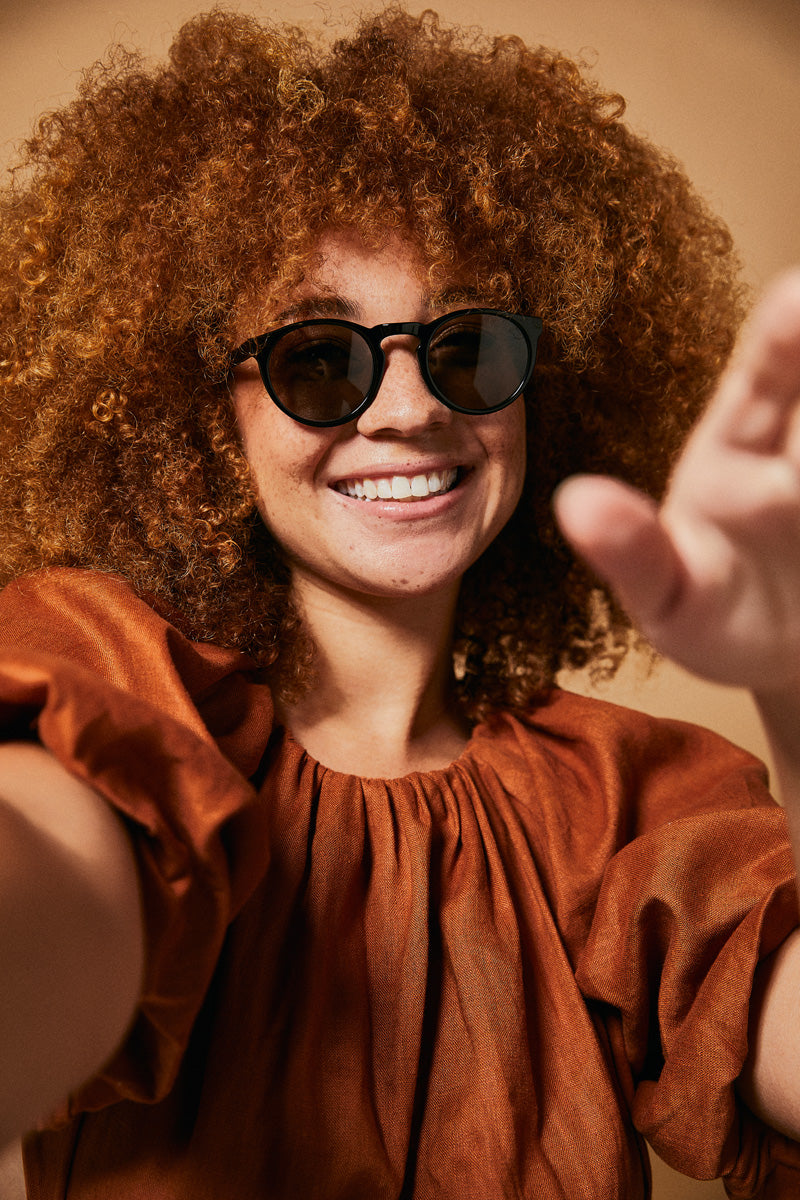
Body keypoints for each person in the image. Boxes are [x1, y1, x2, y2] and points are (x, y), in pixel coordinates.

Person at [0, 6, 799, 1197]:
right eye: (318, 356)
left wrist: (793, 679)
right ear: (198, 419)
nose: (413, 409)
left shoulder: (632, 801)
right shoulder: (119, 697)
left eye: (465, 345)